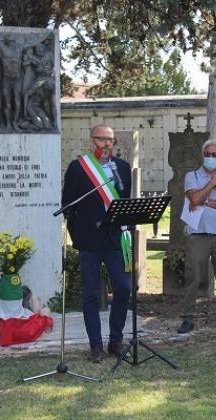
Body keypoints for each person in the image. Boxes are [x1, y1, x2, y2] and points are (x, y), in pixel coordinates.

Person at [61, 124, 132, 362]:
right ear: (92, 141)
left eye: (110, 140)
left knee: (123, 287)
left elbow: (126, 203)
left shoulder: (122, 168)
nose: (106, 144)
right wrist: (78, 236)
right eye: (101, 139)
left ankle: (116, 339)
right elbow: (68, 206)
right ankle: (95, 345)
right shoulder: (78, 168)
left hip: (115, 240)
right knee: (90, 294)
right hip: (89, 241)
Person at [177, 140, 216, 334]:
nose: (210, 157)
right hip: (198, 234)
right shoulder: (192, 176)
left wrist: (206, 201)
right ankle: (188, 318)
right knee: (192, 277)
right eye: (207, 153)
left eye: (214, 154)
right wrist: (212, 183)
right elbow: (194, 199)